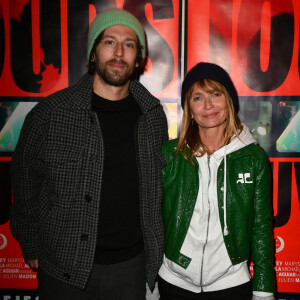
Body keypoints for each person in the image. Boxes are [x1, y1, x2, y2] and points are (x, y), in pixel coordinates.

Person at [10, 8, 168, 300]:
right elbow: (24, 182)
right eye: (109, 42)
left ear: (139, 60)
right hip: (63, 269)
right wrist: (30, 244)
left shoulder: (153, 116)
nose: (119, 52)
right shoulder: (50, 114)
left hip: (130, 270)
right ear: (93, 54)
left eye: (129, 44)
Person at [158, 62, 275, 300]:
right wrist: (150, 282)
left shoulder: (253, 158)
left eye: (216, 94)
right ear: (188, 107)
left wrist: (264, 290)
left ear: (229, 101)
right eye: (197, 98)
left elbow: (261, 227)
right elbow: (151, 221)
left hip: (231, 284)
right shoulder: (170, 155)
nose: (208, 105)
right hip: (173, 282)